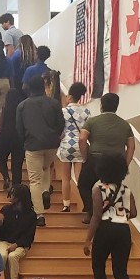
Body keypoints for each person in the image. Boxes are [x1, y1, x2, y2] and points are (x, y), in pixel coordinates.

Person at [83, 155, 137, 279]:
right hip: (123, 230)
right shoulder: (126, 190)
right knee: (121, 271)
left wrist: (88, 240)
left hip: (105, 229)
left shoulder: (98, 188)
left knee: (98, 265)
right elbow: (133, 213)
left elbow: (96, 216)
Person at [78, 92, 136, 224]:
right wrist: (125, 164)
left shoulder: (92, 121)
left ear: (101, 106)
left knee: (84, 184)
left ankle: (91, 212)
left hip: (96, 158)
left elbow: (82, 139)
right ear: (116, 106)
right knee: (113, 188)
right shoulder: (125, 125)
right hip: (117, 162)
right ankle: (109, 213)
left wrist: (85, 157)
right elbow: (131, 147)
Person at [16, 73, 65, 227]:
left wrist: (25, 141)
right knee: (45, 167)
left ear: (29, 88)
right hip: (51, 144)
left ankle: (39, 214)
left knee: (35, 179)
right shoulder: (54, 103)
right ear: (44, 86)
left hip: (32, 145)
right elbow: (61, 124)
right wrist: (55, 136)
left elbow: (19, 128)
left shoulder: (22, 105)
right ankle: (45, 190)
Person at [0, 186, 38, 279]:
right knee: (2, 255)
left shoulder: (31, 215)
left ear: (20, 197)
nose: (11, 197)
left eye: (14, 195)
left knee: (13, 257)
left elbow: (29, 237)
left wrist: (17, 244)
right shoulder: (6, 210)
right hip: (4, 241)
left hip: (21, 245)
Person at [57, 82, 91, 213]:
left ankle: (66, 205)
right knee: (79, 177)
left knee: (65, 178)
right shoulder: (86, 112)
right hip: (80, 145)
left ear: (69, 96)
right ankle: (85, 203)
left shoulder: (63, 112)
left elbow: (60, 130)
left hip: (66, 145)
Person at [0, 82, 26, 190]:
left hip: (4, 138)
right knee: (17, 166)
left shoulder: (4, 109)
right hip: (19, 139)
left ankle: (6, 177)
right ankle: (16, 189)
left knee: (1, 160)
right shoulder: (22, 110)